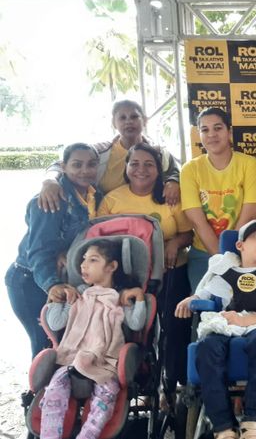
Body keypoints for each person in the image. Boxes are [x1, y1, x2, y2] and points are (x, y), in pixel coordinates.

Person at [96, 143, 194, 408]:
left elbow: (188, 232)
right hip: (128, 280)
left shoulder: (169, 196)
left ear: (159, 170)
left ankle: (172, 386)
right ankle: (144, 385)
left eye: (149, 164)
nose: (141, 169)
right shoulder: (112, 200)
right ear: (126, 167)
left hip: (171, 272)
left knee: (174, 329)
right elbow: (98, 240)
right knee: (138, 332)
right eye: (135, 163)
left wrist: (174, 243)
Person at [175, 220, 256, 439]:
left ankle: (255, 423)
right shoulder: (226, 272)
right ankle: (223, 427)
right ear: (240, 245)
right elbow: (205, 293)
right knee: (207, 347)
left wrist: (244, 320)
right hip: (230, 324)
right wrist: (191, 299)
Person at [40, 239, 146, 439]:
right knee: (53, 391)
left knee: (106, 397)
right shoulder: (78, 293)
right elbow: (55, 323)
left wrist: (139, 296)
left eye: (93, 260)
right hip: (71, 358)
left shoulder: (120, 297)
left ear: (111, 267)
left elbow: (136, 324)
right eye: (83, 259)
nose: (83, 265)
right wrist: (60, 298)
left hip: (104, 361)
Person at [6, 143, 100, 359]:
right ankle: (36, 382)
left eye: (91, 164)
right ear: (63, 167)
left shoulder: (95, 195)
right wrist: (52, 284)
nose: (85, 170)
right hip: (30, 280)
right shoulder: (51, 199)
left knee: (63, 345)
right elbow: (39, 251)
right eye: (77, 165)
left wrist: (66, 251)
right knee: (45, 345)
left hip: (62, 278)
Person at [38, 100, 181, 212]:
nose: (128, 121)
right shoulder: (100, 151)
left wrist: (173, 182)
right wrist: (49, 181)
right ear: (114, 123)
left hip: (152, 214)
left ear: (144, 120)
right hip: (106, 215)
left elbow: (175, 172)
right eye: (122, 118)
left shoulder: (159, 153)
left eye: (134, 116)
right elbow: (61, 164)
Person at [180, 107, 256, 288]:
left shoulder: (249, 164)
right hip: (203, 253)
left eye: (218, 128)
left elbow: (250, 214)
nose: (211, 134)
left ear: (229, 132)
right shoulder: (189, 170)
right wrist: (222, 259)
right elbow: (197, 222)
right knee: (203, 304)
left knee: (242, 304)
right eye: (205, 130)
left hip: (244, 251)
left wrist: (233, 254)